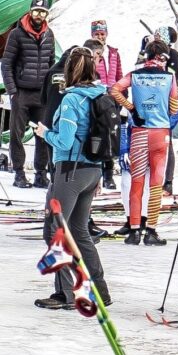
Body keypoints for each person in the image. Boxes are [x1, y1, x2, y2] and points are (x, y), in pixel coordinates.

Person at [35, 48, 112, 310]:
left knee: (54, 231)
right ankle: (99, 290)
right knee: (79, 231)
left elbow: (65, 140)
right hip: (92, 169)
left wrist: (45, 133)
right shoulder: (99, 95)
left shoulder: (71, 100)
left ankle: (68, 292)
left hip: (70, 170)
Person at [122, 43, 178, 244]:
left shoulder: (135, 74)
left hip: (139, 131)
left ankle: (134, 230)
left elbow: (114, 90)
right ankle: (151, 231)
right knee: (156, 184)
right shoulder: (169, 76)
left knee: (136, 183)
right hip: (160, 133)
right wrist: (164, 112)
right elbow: (175, 106)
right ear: (162, 57)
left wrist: (133, 109)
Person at [1, 0, 57, 188]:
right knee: (17, 135)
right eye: (36, 11)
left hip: (41, 94)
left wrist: (51, 90)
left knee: (43, 134)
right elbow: (6, 63)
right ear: (30, 12)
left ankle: (41, 174)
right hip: (21, 93)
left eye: (43, 12)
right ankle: (19, 173)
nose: (39, 15)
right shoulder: (17, 34)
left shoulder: (49, 35)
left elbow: (51, 65)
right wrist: (12, 91)